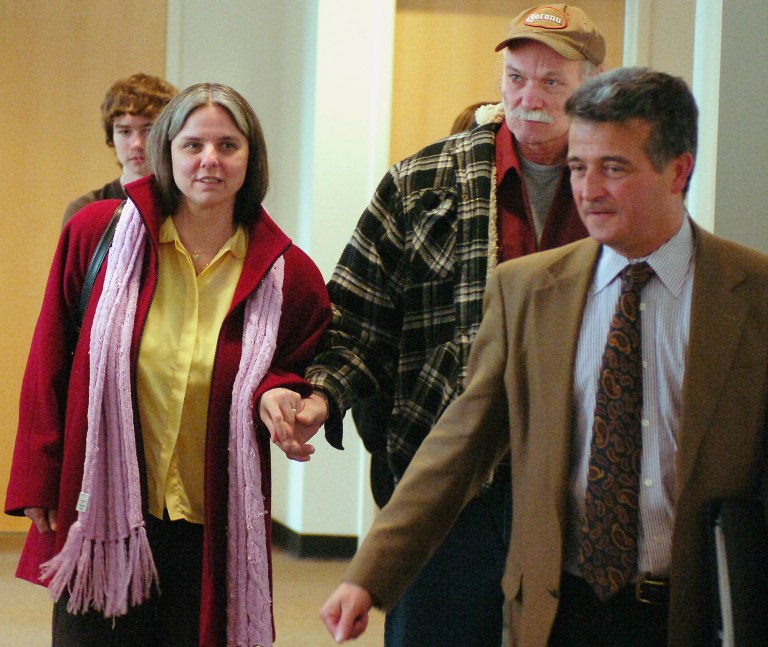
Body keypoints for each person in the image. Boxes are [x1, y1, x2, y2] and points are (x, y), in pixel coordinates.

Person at [319, 67, 768, 647]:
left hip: (695, 613)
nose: (588, 189)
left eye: (613, 168)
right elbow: (459, 444)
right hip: (559, 613)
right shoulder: (528, 291)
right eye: (578, 167)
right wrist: (368, 576)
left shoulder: (751, 294)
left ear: (677, 170)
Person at [261, 4, 606, 645]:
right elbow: (356, 319)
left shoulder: (615, 188)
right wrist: (321, 395)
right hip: (448, 477)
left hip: (576, 481)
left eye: (552, 82)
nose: (529, 98)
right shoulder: (421, 182)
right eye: (515, 78)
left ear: (592, 88)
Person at [5, 82, 331, 647]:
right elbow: (49, 359)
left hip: (211, 523)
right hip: (103, 508)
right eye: (193, 145)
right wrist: (38, 475)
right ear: (167, 153)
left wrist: (282, 392)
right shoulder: (97, 233)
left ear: (250, 158)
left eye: (228, 145)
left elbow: (304, 362)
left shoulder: (288, 272)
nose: (210, 160)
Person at [61, 72, 178, 227]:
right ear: (111, 137)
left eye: (148, 130)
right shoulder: (85, 210)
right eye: (125, 131)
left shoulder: (186, 206)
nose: (136, 144)